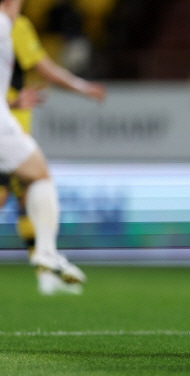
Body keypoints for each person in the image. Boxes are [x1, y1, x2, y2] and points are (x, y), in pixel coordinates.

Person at [0, 0, 86, 295]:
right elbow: (44, 67)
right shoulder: (6, 26)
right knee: (39, 177)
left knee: (30, 183)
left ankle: (45, 258)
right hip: (4, 124)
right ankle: (46, 254)